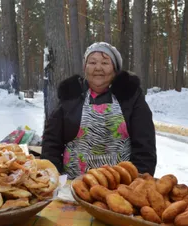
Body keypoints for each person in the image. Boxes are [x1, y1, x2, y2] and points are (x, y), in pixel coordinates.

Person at [41, 42, 157, 179]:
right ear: (85, 67)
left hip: (121, 187)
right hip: (73, 187)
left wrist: (137, 182)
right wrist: (55, 179)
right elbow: (51, 143)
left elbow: (145, 146)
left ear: (115, 68)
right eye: (92, 62)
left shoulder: (131, 97)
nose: (98, 68)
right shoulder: (71, 96)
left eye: (105, 63)